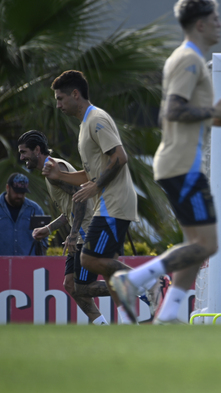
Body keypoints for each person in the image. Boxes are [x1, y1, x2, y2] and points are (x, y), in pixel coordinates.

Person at [109, 0, 221, 324]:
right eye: (215, 18)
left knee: (194, 244)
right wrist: (213, 112)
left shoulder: (190, 59)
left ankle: (169, 313)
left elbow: (184, 115)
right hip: (182, 166)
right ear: (201, 24)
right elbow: (172, 111)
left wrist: (215, 118)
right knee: (207, 245)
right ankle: (133, 280)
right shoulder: (190, 59)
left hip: (179, 164)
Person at [43, 70, 159, 324]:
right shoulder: (85, 124)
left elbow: (120, 157)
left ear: (76, 94)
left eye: (61, 98)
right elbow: (90, 173)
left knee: (90, 260)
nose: (58, 104)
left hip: (113, 203)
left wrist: (95, 187)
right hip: (105, 204)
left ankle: (150, 281)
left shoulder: (96, 119)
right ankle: (129, 323)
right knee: (107, 269)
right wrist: (59, 176)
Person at [18, 130, 111, 325]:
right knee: (70, 285)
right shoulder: (51, 171)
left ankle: (136, 285)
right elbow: (70, 208)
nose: (22, 157)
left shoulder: (54, 170)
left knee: (83, 287)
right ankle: (102, 325)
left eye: (24, 152)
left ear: (37, 150)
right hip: (80, 232)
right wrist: (49, 229)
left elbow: (80, 198)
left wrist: (73, 234)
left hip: (87, 230)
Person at [0, 173, 48, 256]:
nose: (19, 195)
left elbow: (43, 242)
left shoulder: (34, 210)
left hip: (28, 265)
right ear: (8, 188)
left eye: (22, 193)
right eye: (16, 192)